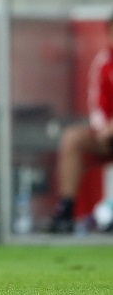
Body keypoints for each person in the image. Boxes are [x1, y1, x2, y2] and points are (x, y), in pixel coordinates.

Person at [49, 17, 113, 233]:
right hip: (108, 137)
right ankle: (66, 210)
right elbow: (96, 103)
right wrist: (104, 128)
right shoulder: (104, 63)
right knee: (72, 138)